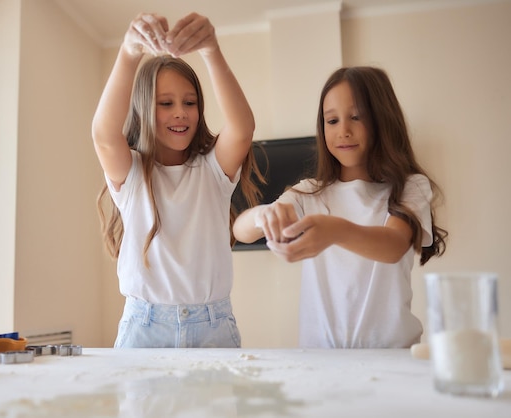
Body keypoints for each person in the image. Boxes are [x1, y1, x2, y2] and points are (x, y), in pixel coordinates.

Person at [233, 66, 448, 349]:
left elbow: (393, 245)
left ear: (383, 121)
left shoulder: (410, 187)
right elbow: (240, 230)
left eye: (356, 117)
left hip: (393, 355)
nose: (343, 130)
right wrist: (263, 215)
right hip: (321, 357)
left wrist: (334, 231)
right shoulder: (309, 192)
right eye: (331, 120)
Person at [91, 12, 262, 348]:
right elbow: (104, 135)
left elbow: (242, 129)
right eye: (165, 104)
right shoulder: (133, 171)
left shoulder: (213, 170)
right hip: (145, 329)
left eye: (190, 102)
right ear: (143, 109)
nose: (180, 112)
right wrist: (129, 51)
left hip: (213, 327)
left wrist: (211, 50)